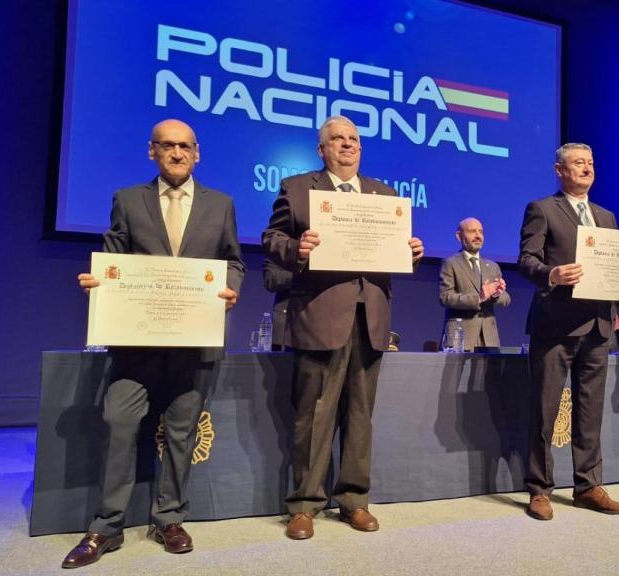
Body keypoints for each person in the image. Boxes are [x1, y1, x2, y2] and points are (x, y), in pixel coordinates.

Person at [63, 119, 245, 569]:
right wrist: (99, 282)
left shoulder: (221, 204)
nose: (177, 153)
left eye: (185, 146)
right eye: (167, 146)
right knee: (119, 422)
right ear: (152, 152)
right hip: (136, 343)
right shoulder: (128, 199)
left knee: (182, 433)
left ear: (197, 153)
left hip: (195, 340)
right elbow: (114, 257)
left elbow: (233, 262)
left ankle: (169, 518)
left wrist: (230, 289)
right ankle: (106, 526)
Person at [261, 116, 424, 540]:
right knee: (314, 414)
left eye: (353, 139)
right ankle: (304, 505)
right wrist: (297, 248)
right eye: (337, 139)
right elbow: (271, 238)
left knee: (360, 414)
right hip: (319, 314)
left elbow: (394, 252)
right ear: (322, 149)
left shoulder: (384, 194)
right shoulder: (298, 189)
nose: (347, 145)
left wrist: (411, 251)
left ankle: (354, 500)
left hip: (370, 317)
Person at [518, 142, 619, 521]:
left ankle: (587, 486)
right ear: (559, 170)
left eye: (590, 163)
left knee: (590, 411)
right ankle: (539, 489)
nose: (586, 168)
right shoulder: (542, 209)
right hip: (556, 322)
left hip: (600, 325)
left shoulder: (606, 215)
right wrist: (550, 274)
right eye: (578, 163)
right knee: (545, 409)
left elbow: (616, 272)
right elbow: (526, 259)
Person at [438, 217, 510, 351]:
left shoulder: (492, 266)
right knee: (457, 373)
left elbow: (506, 298)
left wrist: (495, 295)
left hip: (489, 337)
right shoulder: (450, 263)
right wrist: (479, 298)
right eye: (472, 231)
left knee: (491, 373)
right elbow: (445, 297)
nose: (478, 236)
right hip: (460, 335)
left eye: (480, 232)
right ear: (459, 236)